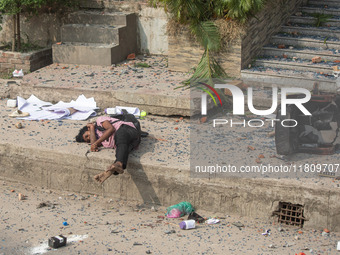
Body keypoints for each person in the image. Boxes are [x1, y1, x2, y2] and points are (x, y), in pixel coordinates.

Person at [75, 116, 140, 184]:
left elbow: (111, 129)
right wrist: (94, 142)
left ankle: (118, 164)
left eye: (87, 135)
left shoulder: (99, 121)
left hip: (128, 130)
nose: (89, 137)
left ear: (88, 129)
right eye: (88, 139)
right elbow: (93, 144)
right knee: (121, 151)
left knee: (120, 135)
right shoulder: (101, 141)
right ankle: (111, 170)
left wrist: (91, 127)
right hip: (131, 143)